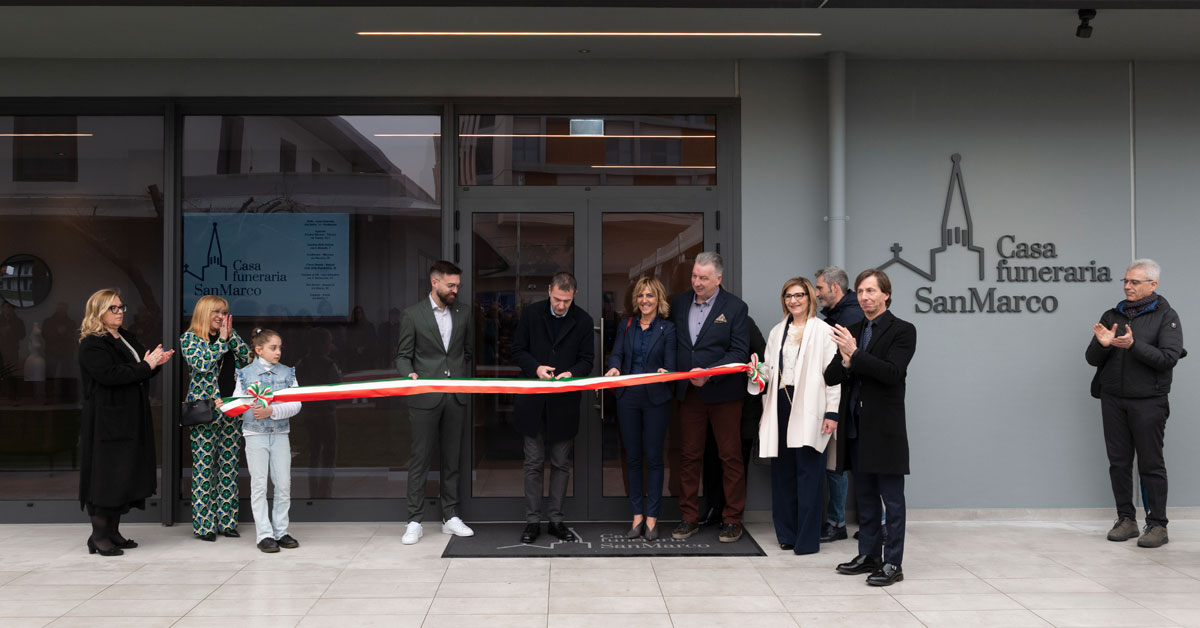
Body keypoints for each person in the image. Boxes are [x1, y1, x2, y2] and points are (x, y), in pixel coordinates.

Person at [1086, 258, 1185, 549]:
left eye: (1134, 282)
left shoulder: (1167, 316)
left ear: (1152, 284)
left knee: (1151, 463)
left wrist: (1133, 345)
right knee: (1118, 462)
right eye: (1125, 281)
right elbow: (1092, 359)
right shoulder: (1111, 315)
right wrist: (1103, 345)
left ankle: (1157, 525)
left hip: (1149, 401)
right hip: (1113, 399)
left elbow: (1168, 358)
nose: (1127, 286)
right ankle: (1125, 519)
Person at [825, 269, 915, 586]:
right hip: (855, 426)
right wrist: (848, 359)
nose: (865, 297)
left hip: (884, 429)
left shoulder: (903, 331)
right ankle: (869, 555)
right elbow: (832, 375)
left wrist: (855, 355)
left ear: (886, 295)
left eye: (872, 291)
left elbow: (892, 372)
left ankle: (893, 563)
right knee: (864, 498)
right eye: (861, 291)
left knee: (891, 501)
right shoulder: (851, 329)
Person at [77, 289, 173, 556]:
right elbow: (110, 375)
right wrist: (146, 365)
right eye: (113, 308)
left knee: (125, 474)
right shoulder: (92, 343)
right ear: (99, 311)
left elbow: (142, 366)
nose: (119, 312)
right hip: (108, 419)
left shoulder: (126, 336)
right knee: (108, 475)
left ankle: (113, 532)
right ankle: (98, 536)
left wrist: (157, 362)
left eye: (121, 307)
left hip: (131, 415)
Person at [753, 277, 840, 554]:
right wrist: (755, 372)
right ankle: (787, 534)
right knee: (783, 474)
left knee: (810, 474)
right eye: (789, 296)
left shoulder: (824, 331)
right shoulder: (778, 331)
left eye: (799, 295)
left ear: (809, 298)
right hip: (781, 403)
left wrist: (831, 412)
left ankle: (806, 540)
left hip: (810, 406)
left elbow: (833, 377)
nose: (794, 300)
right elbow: (769, 370)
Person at [669, 251, 750, 543]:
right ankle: (688, 518)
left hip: (724, 395)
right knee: (689, 457)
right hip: (689, 393)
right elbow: (673, 342)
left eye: (703, 278)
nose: (697, 282)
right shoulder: (679, 303)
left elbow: (739, 352)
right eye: (694, 276)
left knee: (730, 457)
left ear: (719, 278)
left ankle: (732, 519)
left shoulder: (736, 308)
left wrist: (710, 372)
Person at [395, 260, 476, 544]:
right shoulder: (413, 315)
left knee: (452, 459)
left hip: (456, 396)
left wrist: (461, 380)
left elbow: (467, 353)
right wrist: (410, 375)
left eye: (458, 285)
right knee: (420, 459)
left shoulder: (464, 313)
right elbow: (402, 355)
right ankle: (414, 520)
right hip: (423, 395)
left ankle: (450, 516)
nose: (455, 290)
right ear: (435, 282)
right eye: (451, 285)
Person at [511, 272, 594, 544]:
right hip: (532, 401)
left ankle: (556, 520)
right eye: (558, 299)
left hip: (564, 404)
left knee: (561, 464)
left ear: (574, 295)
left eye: (566, 301)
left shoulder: (583, 321)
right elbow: (517, 350)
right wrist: (536, 368)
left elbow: (587, 360)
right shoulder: (531, 314)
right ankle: (532, 521)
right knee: (533, 463)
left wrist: (571, 373)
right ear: (549, 291)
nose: (561, 305)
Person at [604, 276, 676, 541]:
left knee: (655, 458)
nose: (644, 300)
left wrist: (665, 372)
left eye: (649, 296)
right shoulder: (627, 324)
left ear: (659, 299)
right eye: (640, 296)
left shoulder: (667, 329)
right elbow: (618, 354)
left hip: (656, 399)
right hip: (628, 399)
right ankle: (637, 517)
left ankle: (653, 519)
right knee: (633, 458)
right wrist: (614, 367)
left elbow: (671, 363)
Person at [181, 295, 252, 541]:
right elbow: (201, 363)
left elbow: (249, 358)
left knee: (229, 468)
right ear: (203, 312)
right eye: (216, 312)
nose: (221, 317)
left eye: (224, 312)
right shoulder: (189, 339)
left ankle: (227, 522)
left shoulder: (229, 336)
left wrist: (231, 338)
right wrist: (222, 341)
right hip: (204, 411)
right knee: (203, 468)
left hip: (232, 409)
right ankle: (204, 526)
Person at [233, 328, 302, 553]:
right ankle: (264, 534)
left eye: (280, 347)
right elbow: (238, 403)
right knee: (259, 485)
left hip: (280, 434)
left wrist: (272, 411)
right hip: (255, 435)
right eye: (273, 348)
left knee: (283, 484)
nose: (278, 352)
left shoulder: (288, 373)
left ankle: (281, 530)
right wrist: (225, 405)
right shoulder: (244, 374)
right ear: (258, 349)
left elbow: (296, 404)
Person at [700, 316, 766, 527]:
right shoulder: (701, 324)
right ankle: (715, 508)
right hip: (711, 401)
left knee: (737, 458)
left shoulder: (743, 321)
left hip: (743, 402)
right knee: (711, 456)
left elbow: (761, 355)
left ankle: (733, 514)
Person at [814, 266, 864, 543]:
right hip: (843, 398)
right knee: (839, 463)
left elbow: (853, 361)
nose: (817, 293)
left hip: (850, 401)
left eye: (820, 288)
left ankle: (840, 522)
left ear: (835, 288)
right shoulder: (837, 315)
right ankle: (843, 521)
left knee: (842, 464)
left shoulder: (851, 316)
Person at [296, 327, 341, 498]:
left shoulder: (302, 363)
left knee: (313, 453)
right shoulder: (329, 364)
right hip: (327, 414)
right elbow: (338, 387)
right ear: (324, 345)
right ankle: (325, 490)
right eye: (329, 342)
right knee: (329, 452)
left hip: (309, 413)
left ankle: (313, 490)